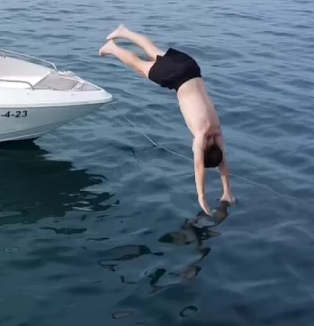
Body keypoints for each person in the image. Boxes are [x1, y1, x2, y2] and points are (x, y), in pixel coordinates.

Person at [99, 25, 235, 215]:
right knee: (139, 66)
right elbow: (198, 167)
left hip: (191, 68)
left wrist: (227, 191)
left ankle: (124, 32)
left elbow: (224, 162)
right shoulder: (201, 136)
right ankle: (111, 48)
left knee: (153, 52)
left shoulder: (217, 131)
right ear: (203, 151)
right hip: (177, 78)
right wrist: (201, 197)